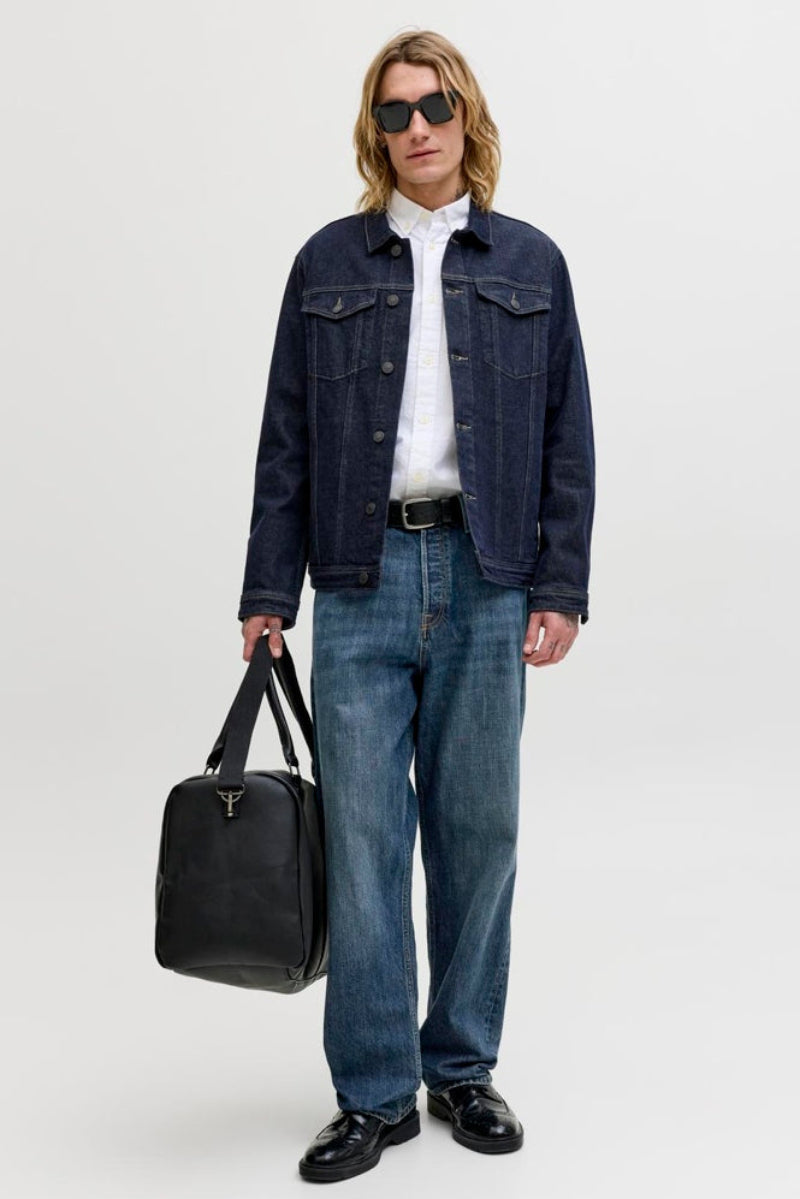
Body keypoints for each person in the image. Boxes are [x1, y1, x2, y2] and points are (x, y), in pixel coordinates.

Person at [238, 29, 595, 1184]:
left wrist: (559, 583)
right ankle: (373, 1091)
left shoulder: (530, 262)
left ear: (464, 116)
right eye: (394, 112)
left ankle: (461, 1065)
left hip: (489, 577)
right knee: (363, 842)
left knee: (477, 834)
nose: (417, 128)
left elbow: (566, 435)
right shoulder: (326, 262)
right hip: (359, 576)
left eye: (433, 105)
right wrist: (266, 590)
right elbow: (285, 437)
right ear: (374, 131)